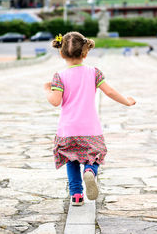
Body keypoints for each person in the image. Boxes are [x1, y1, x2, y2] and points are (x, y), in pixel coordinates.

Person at [44, 31, 136, 206]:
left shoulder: (59, 76)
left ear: (61, 53)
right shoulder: (94, 72)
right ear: (85, 53)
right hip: (90, 129)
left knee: (71, 160)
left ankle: (76, 196)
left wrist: (47, 90)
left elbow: (55, 101)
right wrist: (126, 101)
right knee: (95, 155)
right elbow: (109, 91)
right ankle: (90, 170)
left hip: (68, 130)